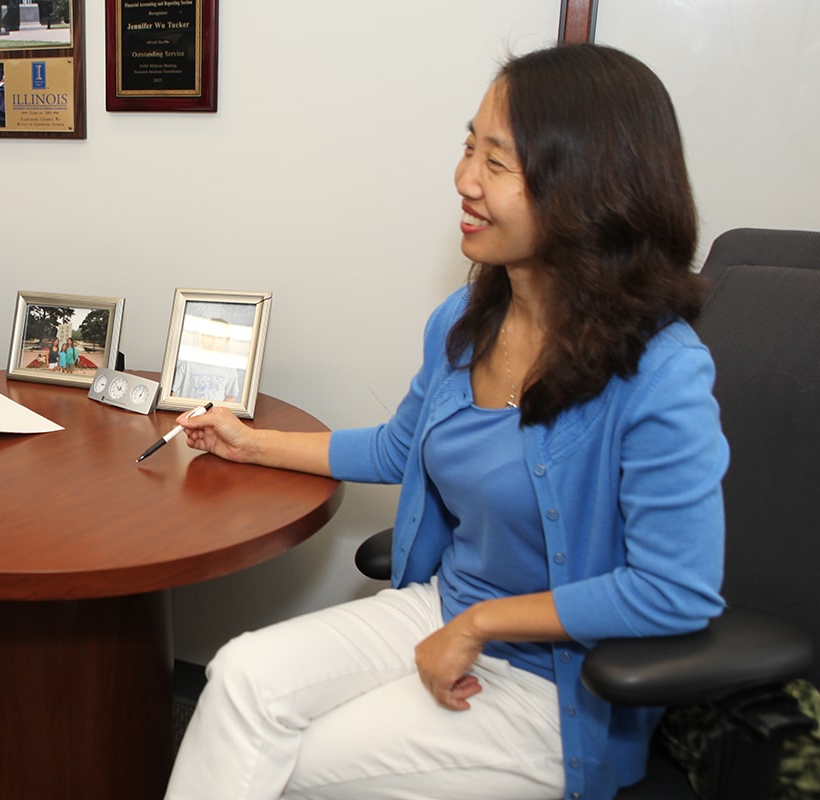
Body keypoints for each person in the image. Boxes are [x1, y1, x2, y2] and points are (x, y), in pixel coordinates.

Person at [164, 43, 727, 800]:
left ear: (590, 186)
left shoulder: (661, 371)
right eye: (470, 148)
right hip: (439, 608)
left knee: (287, 763)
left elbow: (675, 592)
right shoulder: (464, 321)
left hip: (559, 683)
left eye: (498, 163)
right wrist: (250, 442)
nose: (464, 180)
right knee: (238, 682)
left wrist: (482, 626)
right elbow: (403, 448)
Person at [170, 317, 244, 402]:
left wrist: (217, 413)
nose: (214, 341)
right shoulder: (187, 364)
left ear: (226, 341)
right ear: (202, 336)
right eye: (210, 336)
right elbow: (172, 392)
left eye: (220, 337)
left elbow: (231, 396)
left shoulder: (229, 368)